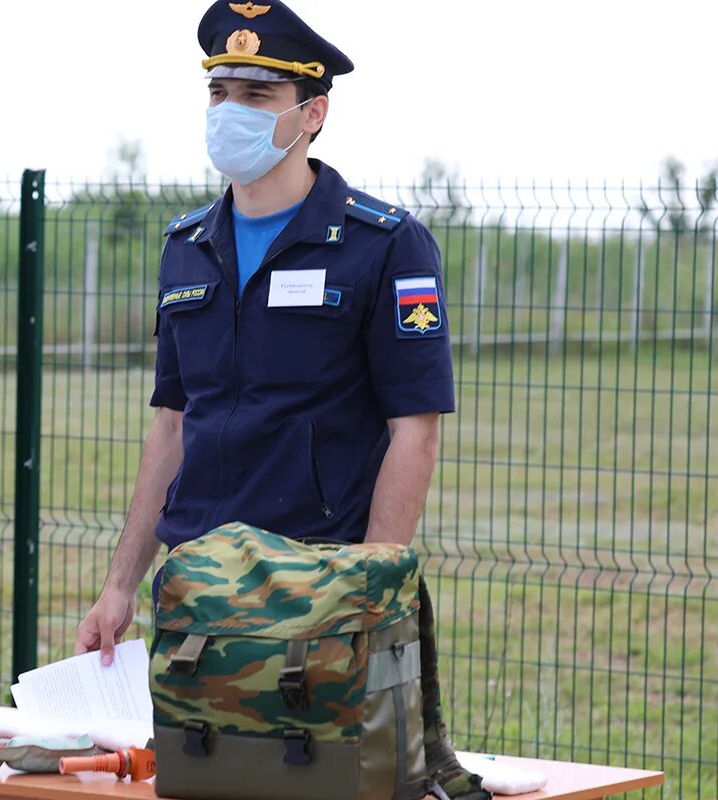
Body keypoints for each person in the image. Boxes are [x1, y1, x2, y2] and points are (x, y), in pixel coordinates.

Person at [76, 0, 455, 664]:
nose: (230, 111)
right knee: (189, 768)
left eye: (256, 94)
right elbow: (172, 424)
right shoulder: (187, 246)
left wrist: (365, 589)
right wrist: (118, 586)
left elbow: (414, 431)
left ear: (313, 113)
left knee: (312, 770)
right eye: (218, 92)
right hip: (195, 586)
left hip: (315, 588)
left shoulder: (385, 245)